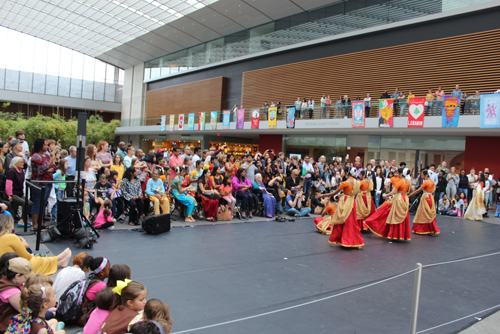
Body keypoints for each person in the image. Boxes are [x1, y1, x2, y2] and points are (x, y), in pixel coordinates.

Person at [319, 167, 363, 248]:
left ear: (347, 173)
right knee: (352, 222)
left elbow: (333, 193)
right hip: (352, 202)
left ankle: (345, 240)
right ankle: (356, 242)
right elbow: (353, 193)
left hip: (345, 202)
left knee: (344, 221)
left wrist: (322, 195)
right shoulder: (358, 183)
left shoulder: (345, 183)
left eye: (343, 171)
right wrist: (344, 194)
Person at [364, 168, 413, 241]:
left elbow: (393, 192)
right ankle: (402, 235)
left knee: (395, 216)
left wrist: (385, 195)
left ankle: (395, 234)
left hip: (399, 199)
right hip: (405, 199)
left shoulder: (400, 182)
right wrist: (406, 195)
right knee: (403, 217)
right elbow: (413, 190)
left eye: (397, 173)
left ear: (400, 174)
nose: (396, 174)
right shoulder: (408, 182)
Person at [0, 257, 34, 332]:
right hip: (6, 326)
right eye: (26, 277)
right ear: (17, 276)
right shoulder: (12, 292)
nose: (27, 279)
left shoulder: (5, 280)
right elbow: (24, 311)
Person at [30, 138, 57, 231]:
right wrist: (51, 161)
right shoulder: (35, 156)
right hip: (39, 183)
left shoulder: (46, 156)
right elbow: (44, 168)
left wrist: (49, 167)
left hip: (48, 182)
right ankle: (34, 225)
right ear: (40, 146)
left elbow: (54, 167)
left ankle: (40, 224)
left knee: (44, 203)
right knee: (38, 203)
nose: (46, 146)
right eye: (45, 145)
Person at [78, 256, 110, 326]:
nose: (110, 271)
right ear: (101, 272)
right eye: (108, 269)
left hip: (80, 313)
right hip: (84, 316)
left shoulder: (91, 278)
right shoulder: (102, 285)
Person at [409, 169, 440, 235]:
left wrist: (409, 195)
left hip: (425, 198)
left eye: (422, 175)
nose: (422, 176)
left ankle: (423, 229)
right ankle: (431, 229)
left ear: (426, 175)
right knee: (429, 213)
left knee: (423, 213)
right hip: (430, 197)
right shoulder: (432, 182)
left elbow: (417, 191)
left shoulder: (426, 183)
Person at [5, 157, 32, 227]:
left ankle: (23, 218)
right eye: (21, 162)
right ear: (15, 163)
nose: (23, 163)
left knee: (30, 203)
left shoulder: (21, 171)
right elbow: (8, 184)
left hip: (20, 193)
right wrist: (9, 195)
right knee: (25, 203)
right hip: (13, 193)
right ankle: (22, 220)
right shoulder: (11, 171)